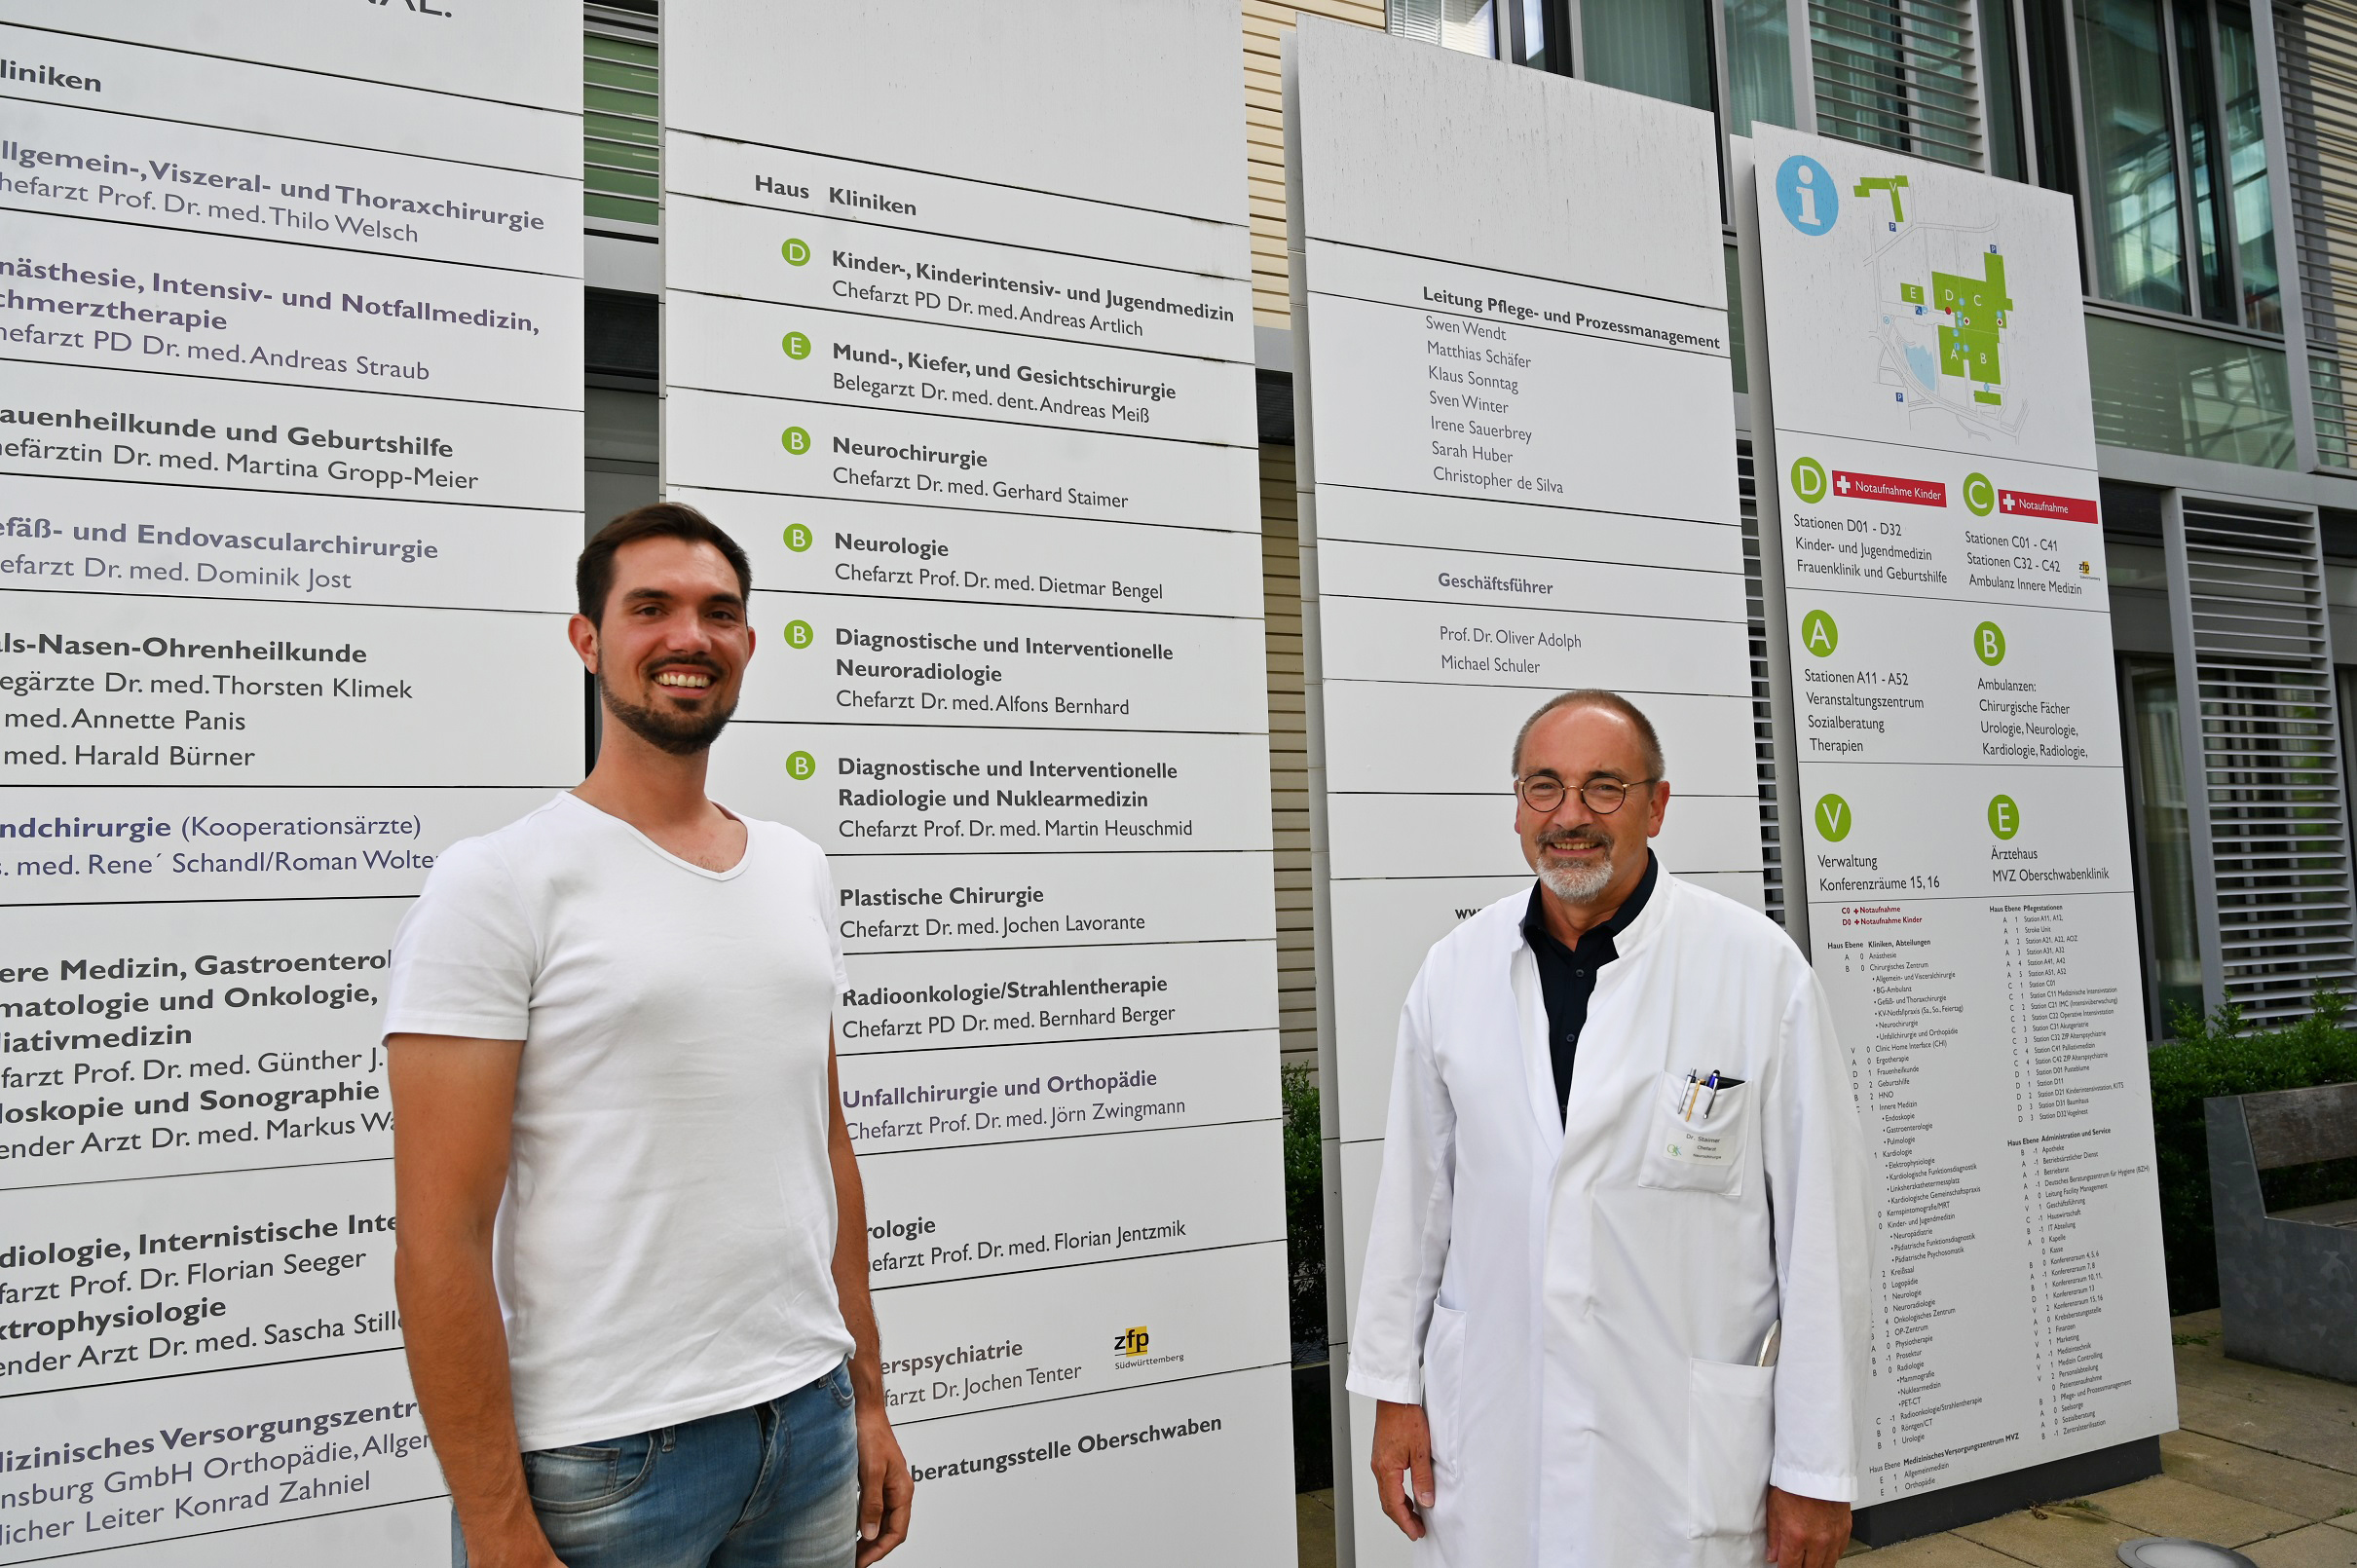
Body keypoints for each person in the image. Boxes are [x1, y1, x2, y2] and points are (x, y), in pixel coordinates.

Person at [384, 504, 913, 1568]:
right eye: (651, 608)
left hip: (804, 1422)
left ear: (748, 646)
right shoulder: (497, 882)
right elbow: (438, 1232)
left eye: (720, 612)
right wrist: (495, 1527)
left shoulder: (794, 867)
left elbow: (826, 1148)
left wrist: (866, 1395)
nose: (690, 637)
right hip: (603, 1458)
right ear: (588, 641)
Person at [1351, 689, 1868, 1568]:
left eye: (1604, 788)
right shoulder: (1456, 970)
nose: (1570, 817)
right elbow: (1414, 1205)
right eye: (1543, 787)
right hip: (1496, 1431)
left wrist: (1816, 1468)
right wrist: (1395, 1393)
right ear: (1518, 806)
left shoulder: (1756, 971)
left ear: (1656, 805)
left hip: (1675, 1459)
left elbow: (1821, 1240)